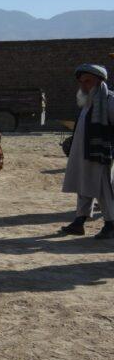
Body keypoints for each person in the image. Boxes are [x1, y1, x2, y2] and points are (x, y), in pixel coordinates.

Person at [60, 64, 114, 238]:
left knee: (103, 188)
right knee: (84, 186)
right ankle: (79, 222)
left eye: (88, 81)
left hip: (100, 154)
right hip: (83, 154)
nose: (84, 85)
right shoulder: (88, 103)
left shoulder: (109, 101)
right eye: (82, 82)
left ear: (99, 82)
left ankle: (111, 223)